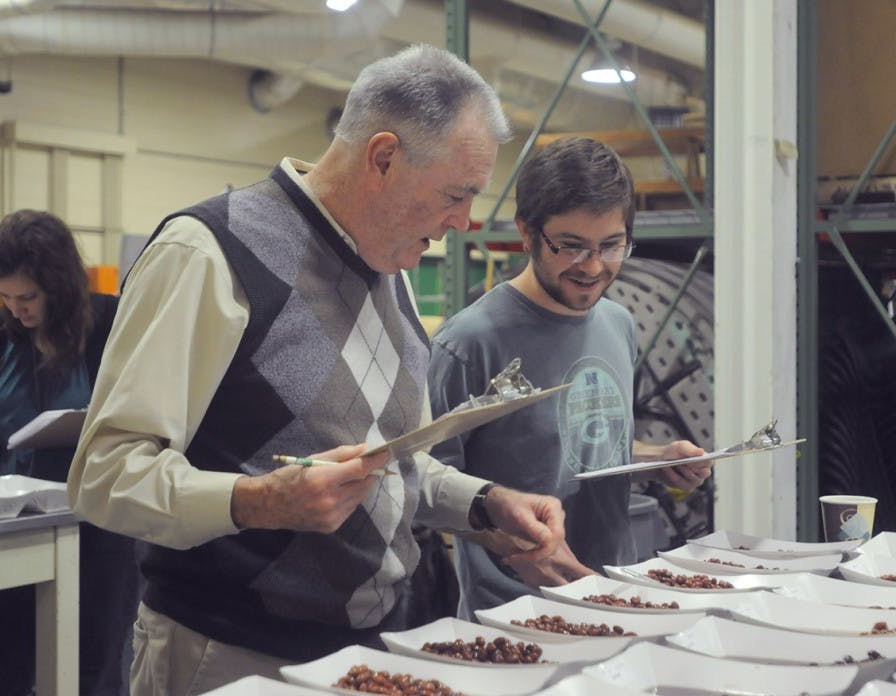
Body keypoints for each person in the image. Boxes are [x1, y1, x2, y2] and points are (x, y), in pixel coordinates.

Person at [67, 43, 589, 696]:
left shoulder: (387, 267)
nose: (460, 225)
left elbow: (392, 463)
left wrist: (483, 504)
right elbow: (104, 473)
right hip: (228, 655)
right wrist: (254, 503)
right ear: (384, 157)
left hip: (368, 653)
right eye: (456, 196)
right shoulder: (209, 254)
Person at [427, 136, 713, 620]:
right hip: (512, 617)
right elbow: (427, 490)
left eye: (612, 245)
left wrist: (652, 458)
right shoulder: (470, 342)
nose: (594, 267)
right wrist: (520, 545)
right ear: (527, 233)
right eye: (572, 247)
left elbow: (572, 442)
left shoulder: (617, 323)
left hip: (612, 596)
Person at [0, 209, 140, 696]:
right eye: (6, 297)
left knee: (90, 672)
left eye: (28, 297)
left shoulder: (112, 323)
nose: (17, 309)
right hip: (12, 529)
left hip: (96, 527)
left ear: (59, 284)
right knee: (0, 669)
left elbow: (144, 414)